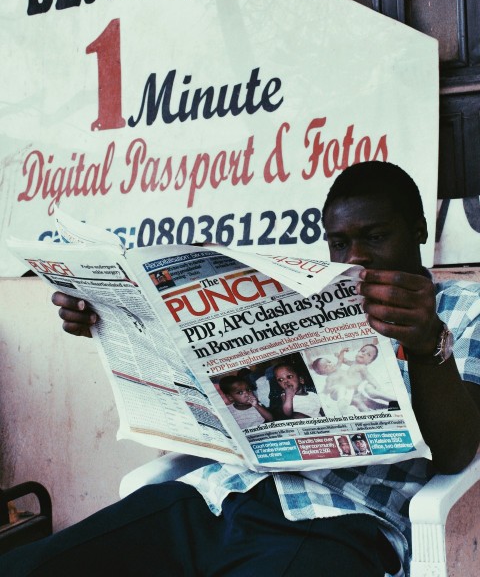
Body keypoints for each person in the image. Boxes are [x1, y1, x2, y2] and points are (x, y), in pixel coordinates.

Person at [2, 160, 480, 577]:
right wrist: (108, 316)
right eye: (339, 242)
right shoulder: (307, 296)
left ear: (419, 229)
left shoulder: (464, 309)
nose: (355, 257)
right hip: (212, 496)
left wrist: (425, 344)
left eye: (375, 237)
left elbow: (458, 454)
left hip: (336, 520)